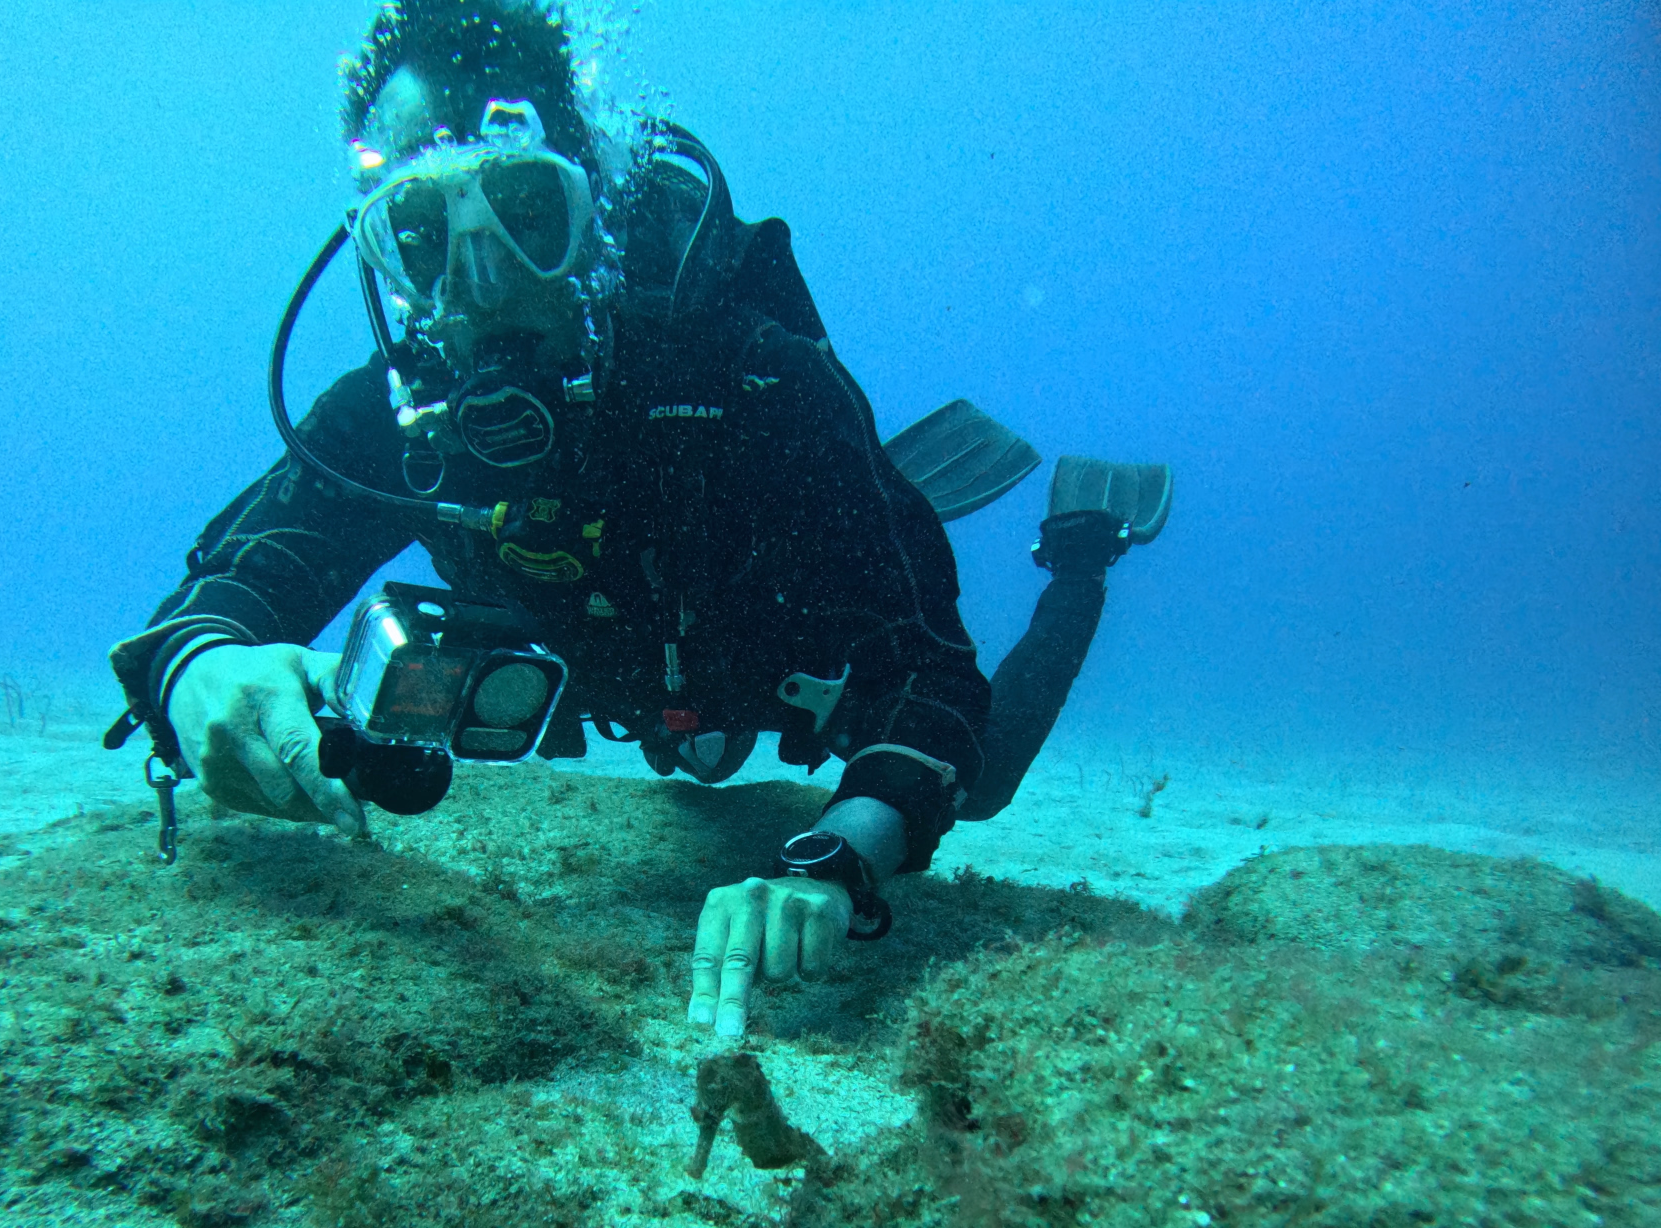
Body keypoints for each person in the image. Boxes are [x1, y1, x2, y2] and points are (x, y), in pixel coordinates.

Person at [106, 0, 1168, 1038]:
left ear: (595, 206)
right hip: (619, 677)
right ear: (378, 254)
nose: (480, 288)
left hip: (782, 651)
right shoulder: (389, 421)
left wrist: (843, 850)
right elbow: (220, 598)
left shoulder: (759, 379)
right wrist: (204, 676)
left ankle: (1082, 551)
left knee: (971, 788)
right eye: (423, 234)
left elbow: (929, 679)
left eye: (526, 214)